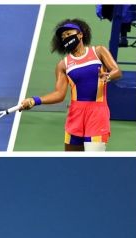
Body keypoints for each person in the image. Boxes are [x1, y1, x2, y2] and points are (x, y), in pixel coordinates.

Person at [20, 19, 122, 152]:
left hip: (97, 114)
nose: (66, 38)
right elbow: (59, 94)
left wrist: (108, 76)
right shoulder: (63, 64)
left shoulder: (98, 51)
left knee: (93, 160)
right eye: (63, 37)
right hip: (75, 115)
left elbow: (117, 71)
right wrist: (35, 100)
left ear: (80, 35)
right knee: (72, 160)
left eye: (68, 34)